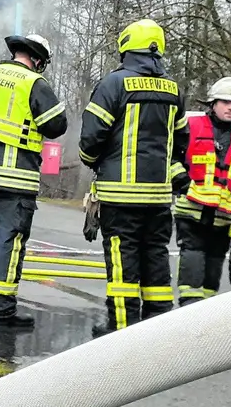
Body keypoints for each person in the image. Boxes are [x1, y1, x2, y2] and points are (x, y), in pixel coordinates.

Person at [79, 19, 188, 335]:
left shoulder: (114, 84)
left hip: (120, 198)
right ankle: (155, 337)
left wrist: (93, 163)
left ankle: (123, 337)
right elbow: (181, 143)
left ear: (127, 47)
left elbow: (91, 139)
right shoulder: (173, 90)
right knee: (156, 269)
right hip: (157, 200)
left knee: (123, 270)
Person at [0, 33, 68, 327]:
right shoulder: (34, 84)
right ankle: (1, 311)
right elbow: (57, 124)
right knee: (8, 243)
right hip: (15, 180)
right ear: (37, 59)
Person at [173, 77, 231, 304]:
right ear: (213, 103)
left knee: (213, 273)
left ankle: (203, 317)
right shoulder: (191, 127)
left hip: (223, 217)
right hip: (191, 211)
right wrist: (181, 180)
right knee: (193, 262)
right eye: (226, 102)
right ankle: (189, 312)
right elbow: (171, 155)